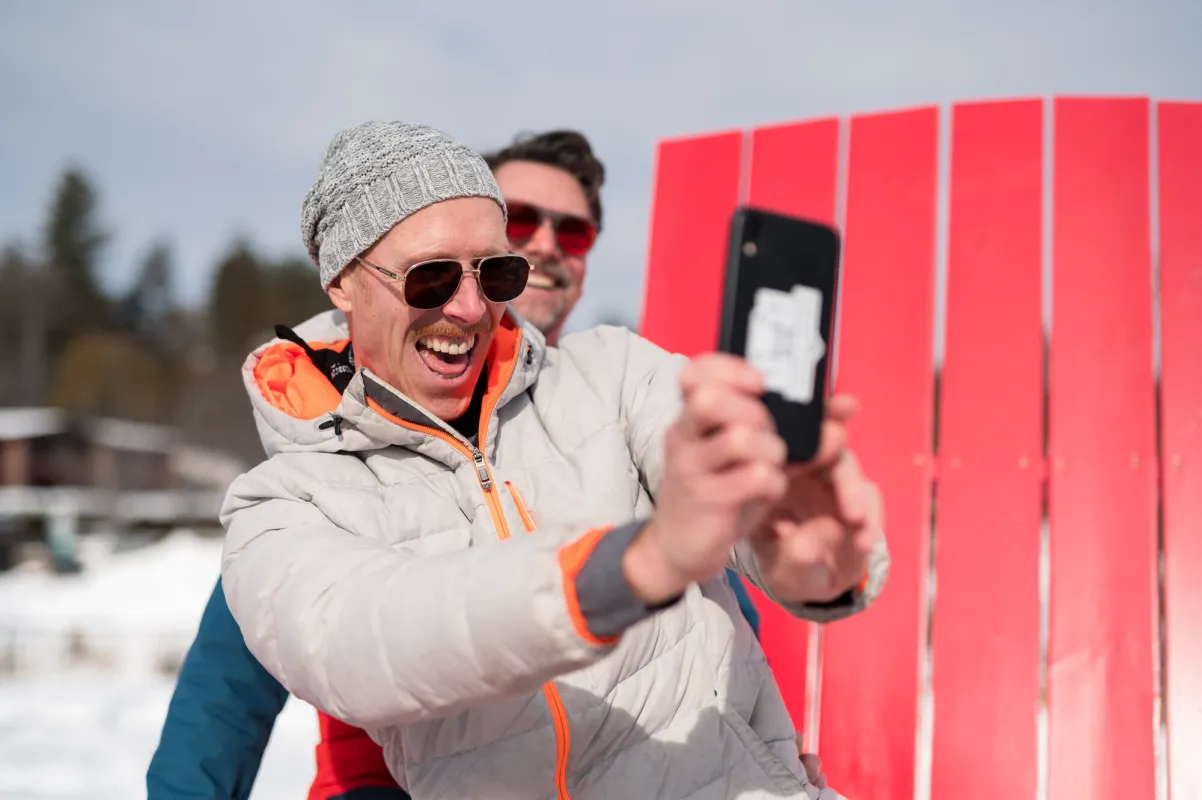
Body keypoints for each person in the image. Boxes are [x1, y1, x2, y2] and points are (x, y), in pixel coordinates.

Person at [219, 120, 886, 799]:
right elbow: (362, 645)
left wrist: (801, 549)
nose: (470, 307)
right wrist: (638, 563)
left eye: (496, 272)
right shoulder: (283, 502)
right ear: (342, 283)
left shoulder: (613, 373)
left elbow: (733, 495)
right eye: (431, 278)